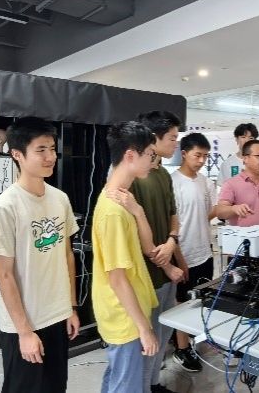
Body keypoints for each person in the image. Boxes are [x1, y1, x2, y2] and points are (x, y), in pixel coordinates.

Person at [0, 117, 80, 393]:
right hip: (24, 323)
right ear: (17, 154)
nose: (51, 157)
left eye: (52, 149)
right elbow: (4, 275)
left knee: (55, 387)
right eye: (41, 150)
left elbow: (67, 256)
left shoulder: (60, 198)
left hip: (58, 315)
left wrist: (71, 308)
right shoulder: (5, 207)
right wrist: (25, 332)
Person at [92, 121, 162, 393]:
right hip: (125, 316)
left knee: (118, 379)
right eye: (150, 155)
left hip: (130, 309)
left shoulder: (124, 201)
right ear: (131, 155)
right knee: (126, 385)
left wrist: (138, 212)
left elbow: (148, 247)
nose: (153, 162)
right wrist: (144, 328)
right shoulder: (112, 212)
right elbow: (117, 278)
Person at [130, 111, 186, 393]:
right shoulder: (133, 177)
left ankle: (154, 384)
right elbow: (136, 233)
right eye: (172, 138)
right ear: (153, 138)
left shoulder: (163, 174)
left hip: (167, 271)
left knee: (163, 333)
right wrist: (167, 264)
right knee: (147, 339)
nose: (176, 143)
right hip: (147, 274)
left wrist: (173, 243)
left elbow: (172, 214)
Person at [170, 133, 217, 372]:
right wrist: (179, 259)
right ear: (184, 153)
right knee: (180, 303)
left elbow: (208, 213)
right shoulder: (172, 183)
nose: (201, 161)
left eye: (205, 156)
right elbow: (171, 227)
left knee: (201, 299)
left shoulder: (205, 182)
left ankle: (196, 337)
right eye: (197, 155)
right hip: (183, 254)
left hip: (204, 252)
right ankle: (182, 348)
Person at [217, 139, 259, 226]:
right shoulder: (231, 184)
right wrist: (234, 209)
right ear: (245, 158)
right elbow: (220, 212)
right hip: (242, 235)